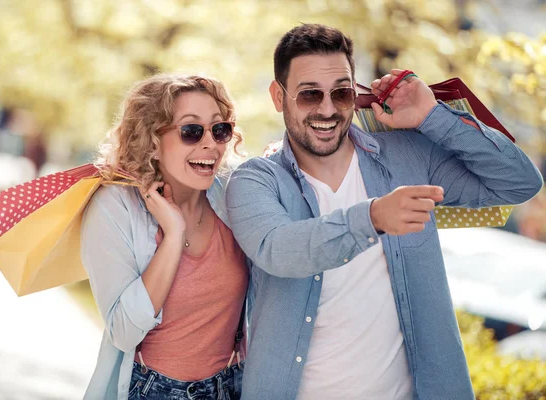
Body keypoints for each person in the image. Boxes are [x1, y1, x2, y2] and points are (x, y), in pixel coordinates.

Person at [226, 23, 543, 400]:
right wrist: (372, 217)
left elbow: (519, 182)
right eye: (309, 95)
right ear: (279, 97)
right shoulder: (256, 180)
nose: (327, 109)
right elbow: (278, 250)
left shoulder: (406, 155)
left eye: (340, 93)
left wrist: (432, 116)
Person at [81, 74, 248, 400]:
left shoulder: (233, 195)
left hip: (228, 389)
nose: (211, 144)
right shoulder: (114, 207)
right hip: (151, 390)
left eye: (220, 129)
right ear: (152, 142)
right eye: (191, 131)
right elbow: (124, 332)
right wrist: (172, 236)